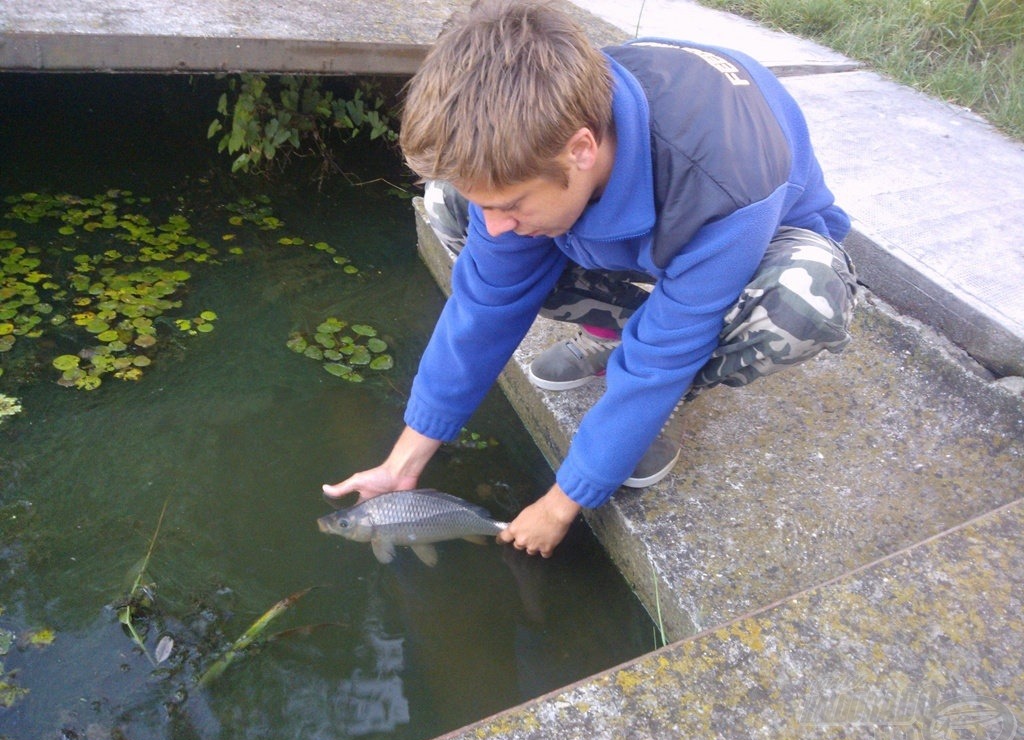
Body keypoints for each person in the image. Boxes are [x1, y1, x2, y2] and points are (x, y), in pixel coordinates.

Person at [323, 0, 858, 558]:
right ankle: (611, 330)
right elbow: (484, 307)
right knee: (452, 207)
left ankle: (675, 391)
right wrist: (402, 461)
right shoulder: (536, 125)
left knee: (802, 302)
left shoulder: (723, 184)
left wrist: (562, 502)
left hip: (751, 241)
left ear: (581, 149)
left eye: (510, 204)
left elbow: (662, 355)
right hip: (624, 221)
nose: (497, 224)